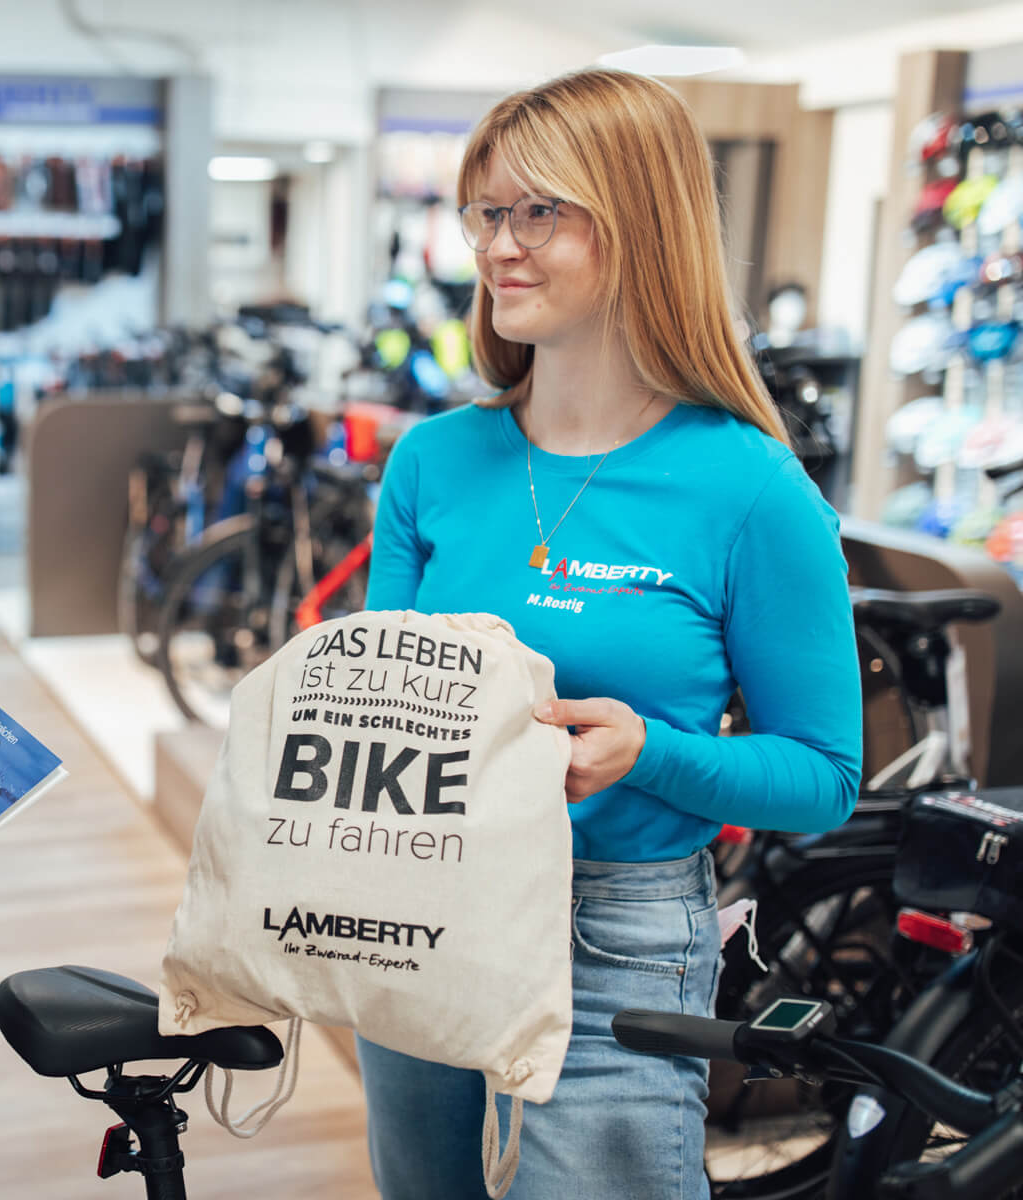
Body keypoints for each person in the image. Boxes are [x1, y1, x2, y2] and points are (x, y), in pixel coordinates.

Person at [358, 68, 861, 1200]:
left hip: (612, 935)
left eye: (540, 211)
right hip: (417, 907)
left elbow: (825, 777)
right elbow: (382, 702)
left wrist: (649, 753)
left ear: (640, 224)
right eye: (488, 211)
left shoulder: (749, 488)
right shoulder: (433, 460)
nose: (500, 246)